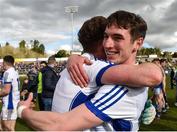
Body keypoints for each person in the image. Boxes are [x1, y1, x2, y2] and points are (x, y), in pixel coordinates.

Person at [18, 10, 162, 131]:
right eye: (105, 37)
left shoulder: (86, 65)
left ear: (138, 43)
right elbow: (153, 75)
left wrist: (141, 107)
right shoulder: (115, 81)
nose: (108, 44)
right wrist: (23, 111)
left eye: (117, 38)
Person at [0, 55, 20, 131]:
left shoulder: (7, 73)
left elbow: (6, 91)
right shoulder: (15, 72)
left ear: (5, 62)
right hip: (14, 102)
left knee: (7, 128)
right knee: (7, 128)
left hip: (9, 104)